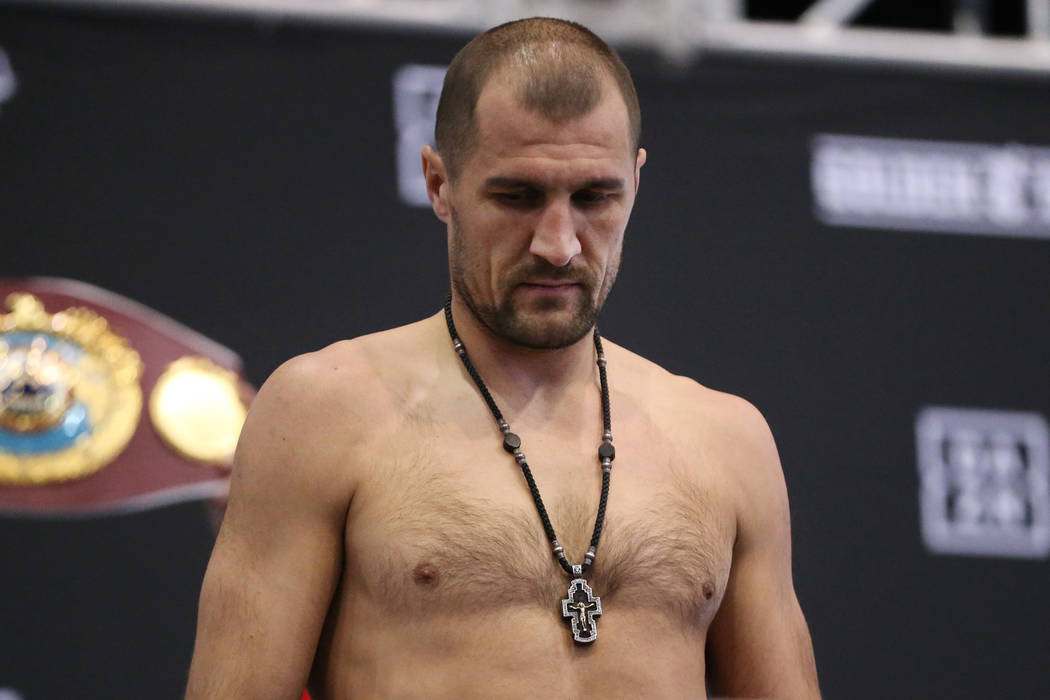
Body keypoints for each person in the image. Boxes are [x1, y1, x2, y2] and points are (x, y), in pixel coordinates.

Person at [185, 17, 820, 699]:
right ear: (439, 184)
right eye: (517, 197)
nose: (558, 244)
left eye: (594, 197)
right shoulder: (324, 413)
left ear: (636, 182)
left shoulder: (728, 442)